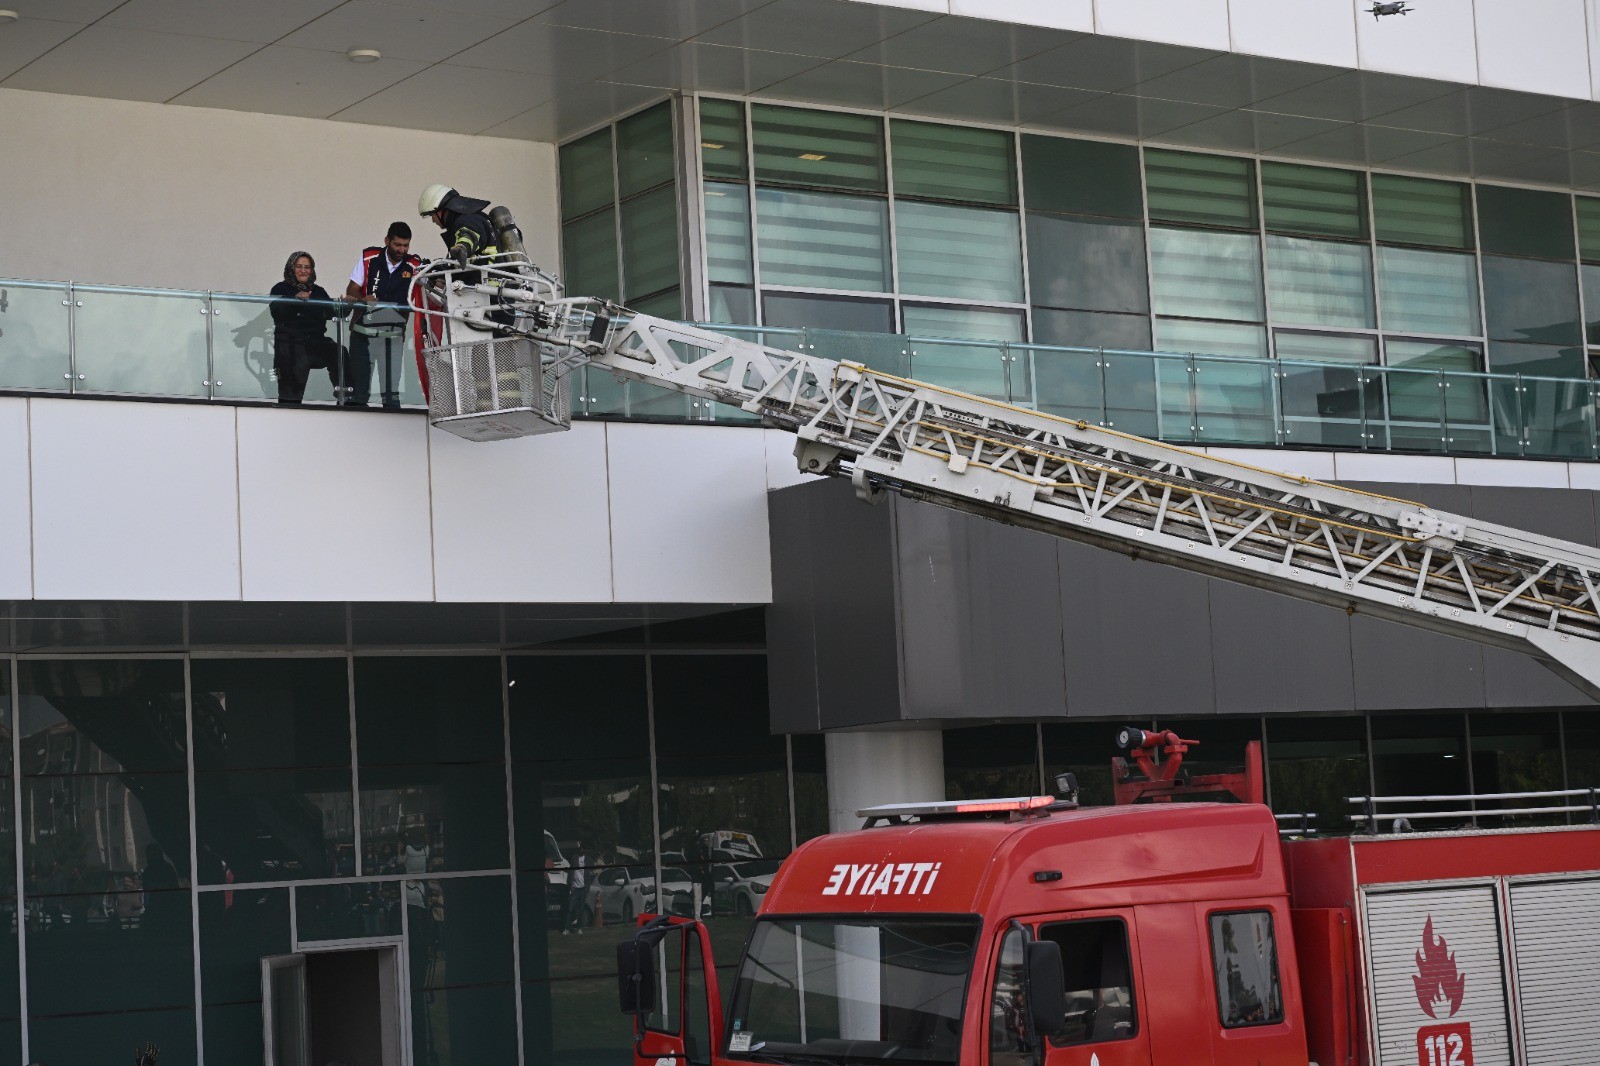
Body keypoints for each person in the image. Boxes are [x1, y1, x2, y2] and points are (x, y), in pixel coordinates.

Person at [343, 222, 422, 409]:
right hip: (362, 335)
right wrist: (362, 299)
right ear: (387, 241)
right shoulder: (369, 257)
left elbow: (429, 289)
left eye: (406, 245)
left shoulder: (414, 265)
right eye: (397, 244)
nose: (402, 250)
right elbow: (351, 290)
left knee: (391, 396)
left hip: (392, 337)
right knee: (359, 394)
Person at [268, 252, 337, 404]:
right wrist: (294, 300)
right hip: (290, 348)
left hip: (315, 346)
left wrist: (347, 305)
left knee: (340, 352)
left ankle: (347, 397)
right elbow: (277, 312)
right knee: (290, 399)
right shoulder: (280, 288)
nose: (303, 270)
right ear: (291, 268)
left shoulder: (318, 291)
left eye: (307, 267)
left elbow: (332, 312)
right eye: (299, 266)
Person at [418, 184, 499, 274]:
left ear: (441, 209)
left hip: (489, 280)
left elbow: (469, 235)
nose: (433, 220)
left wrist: (462, 247)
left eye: (431, 214)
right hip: (489, 277)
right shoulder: (474, 217)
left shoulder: (467, 220)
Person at [564, 841, 587, 934]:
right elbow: (571, 872)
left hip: (583, 888)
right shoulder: (574, 858)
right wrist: (571, 885)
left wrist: (587, 888)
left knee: (581, 910)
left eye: (583, 849)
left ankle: (579, 928)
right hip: (575, 888)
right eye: (581, 848)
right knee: (570, 909)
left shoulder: (587, 860)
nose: (582, 850)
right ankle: (567, 928)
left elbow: (589, 874)